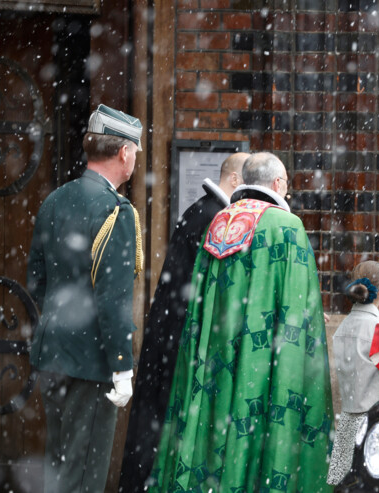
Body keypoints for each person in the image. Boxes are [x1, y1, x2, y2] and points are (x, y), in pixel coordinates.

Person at [147, 152, 334, 492]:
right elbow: (298, 308)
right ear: (279, 184)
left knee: (215, 423)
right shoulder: (287, 227)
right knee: (264, 430)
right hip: (265, 361)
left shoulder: (220, 220)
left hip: (219, 355)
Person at [26, 104, 144, 493]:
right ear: (124, 152)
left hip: (54, 353)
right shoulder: (116, 211)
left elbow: (37, 282)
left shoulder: (55, 199)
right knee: (83, 476)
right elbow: (112, 299)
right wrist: (122, 366)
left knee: (61, 465)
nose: (136, 159)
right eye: (136, 151)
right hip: (92, 362)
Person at [118, 152, 248, 492]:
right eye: (247, 180)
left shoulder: (201, 210)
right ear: (235, 180)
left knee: (154, 425)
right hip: (181, 337)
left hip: (169, 330)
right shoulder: (218, 217)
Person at [327, 261, 379, 486]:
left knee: (343, 483)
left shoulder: (344, 327)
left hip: (347, 420)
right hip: (371, 420)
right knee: (369, 483)